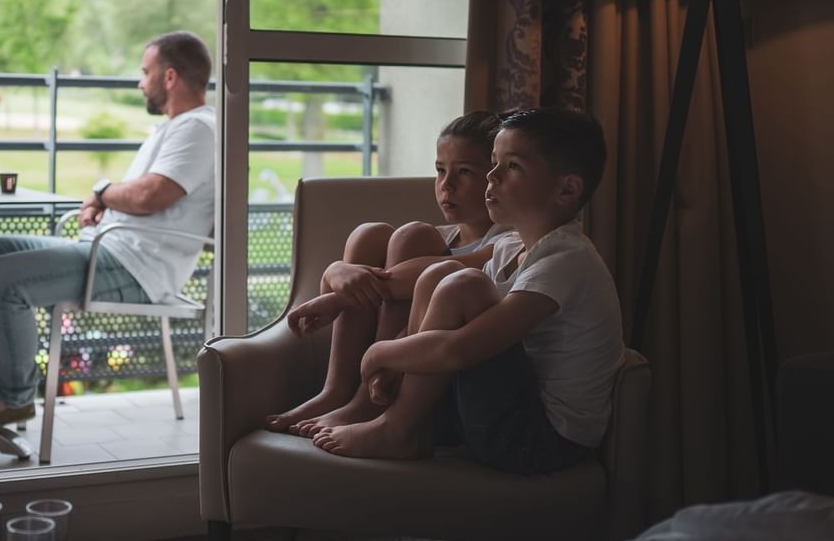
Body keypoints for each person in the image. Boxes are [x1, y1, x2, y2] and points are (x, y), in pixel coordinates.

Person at [311, 107, 625, 476]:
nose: (490, 176)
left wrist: (380, 354)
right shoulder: (511, 248)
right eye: (492, 163)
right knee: (439, 275)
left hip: (540, 439)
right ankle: (403, 422)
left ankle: (398, 429)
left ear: (567, 189)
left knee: (463, 284)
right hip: (490, 412)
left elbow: (459, 347)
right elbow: (417, 293)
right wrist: (339, 298)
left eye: (511, 167)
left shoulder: (568, 261)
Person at [0, 31, 216, 430]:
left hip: (136, 267)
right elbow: (143, 199)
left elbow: (150, 196)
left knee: (6, 278)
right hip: (112, 249)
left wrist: (102, 194)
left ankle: (13, 398)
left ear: (170, 77)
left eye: (146, 72)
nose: (141, 82)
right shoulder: (173, 128)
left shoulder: (198, 128)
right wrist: (102, 205)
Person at [266, 111, 513, 435]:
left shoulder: (511, 240)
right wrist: (336, 270)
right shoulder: (442, 237)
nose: (446, 185)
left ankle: (370, 399)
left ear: (494, 175)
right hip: (386, 369)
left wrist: (340, 295)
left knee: (412, 235)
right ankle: (338, 390)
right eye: (440, 170)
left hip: (433, 388)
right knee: (370, 234)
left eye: (464, 172)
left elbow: (428, 274)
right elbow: (378, 280)